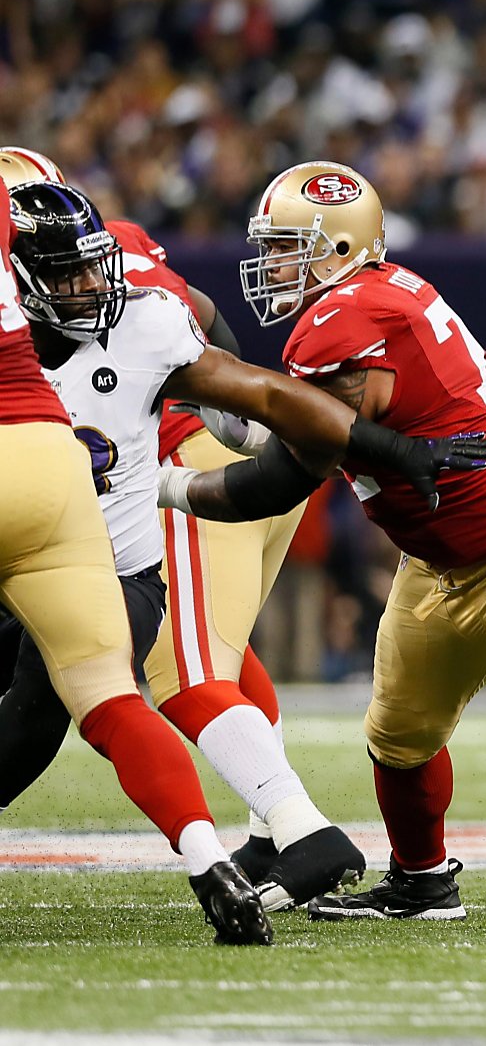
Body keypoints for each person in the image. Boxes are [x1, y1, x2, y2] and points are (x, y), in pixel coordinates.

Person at [185, 160, 486, 930]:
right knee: (398, 732)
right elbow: (277, 423)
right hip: (439, 559)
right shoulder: (371, 297)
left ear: (342, 248)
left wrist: (163, 481)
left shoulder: (340, 324)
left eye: (290, 246)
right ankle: (423, 883)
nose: (274, 264)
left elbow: (278, 474)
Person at [0, 181, 479, 909]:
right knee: (193, 658)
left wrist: (380, 448)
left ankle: (295, 826)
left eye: (96, 264)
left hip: (115, 539)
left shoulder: (145, 317)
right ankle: (267, 830)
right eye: (67, 273)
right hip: (106, 516)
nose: (91, 284)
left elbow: (248, 380)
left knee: (166, 676)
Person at [0, 146, 333, 898]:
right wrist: (245, 432)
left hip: (166, 478)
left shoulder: (52, 286)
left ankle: (302, 828)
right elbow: (211, 324)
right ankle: (268, 837)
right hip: (206, 463)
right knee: (217, 655)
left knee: (182, 670)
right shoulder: (114, 248)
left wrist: (201, 451)